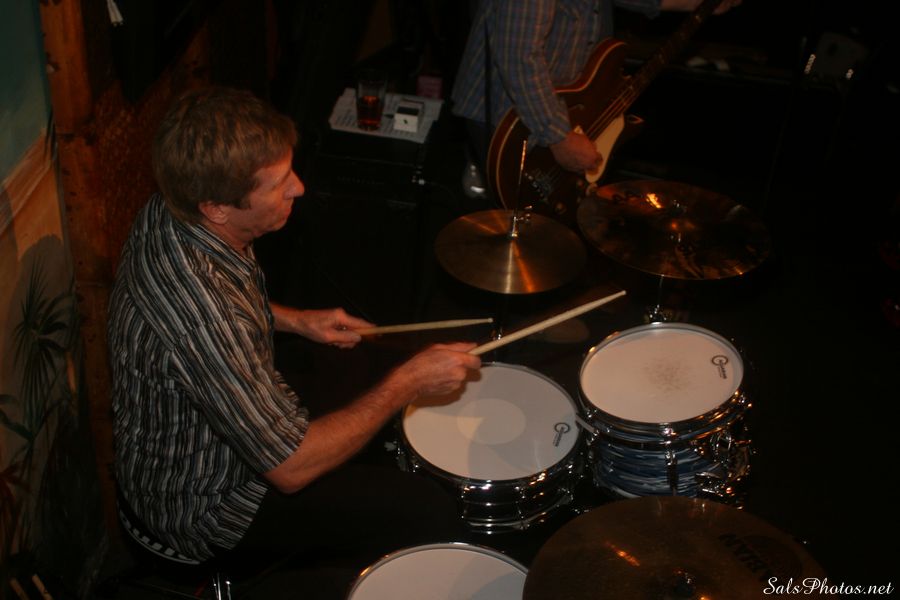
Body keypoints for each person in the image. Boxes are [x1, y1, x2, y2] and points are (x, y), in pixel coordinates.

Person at [107, 86, 482, 598]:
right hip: (206, 507)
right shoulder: (203, 315)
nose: (300, 188)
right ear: (217, 208)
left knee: (363, 381)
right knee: (429, 510)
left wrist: (298, 321)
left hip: (196, 443)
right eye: (280, 183)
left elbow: (227, 309)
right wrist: (408, 383)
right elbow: (290, 469)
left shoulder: (170, 211)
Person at [451, 0, 741, 182]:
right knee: (522, 235)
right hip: (511, 114)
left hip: (553, 107)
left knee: (543, 237)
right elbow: (518, 55)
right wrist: (558, 136)